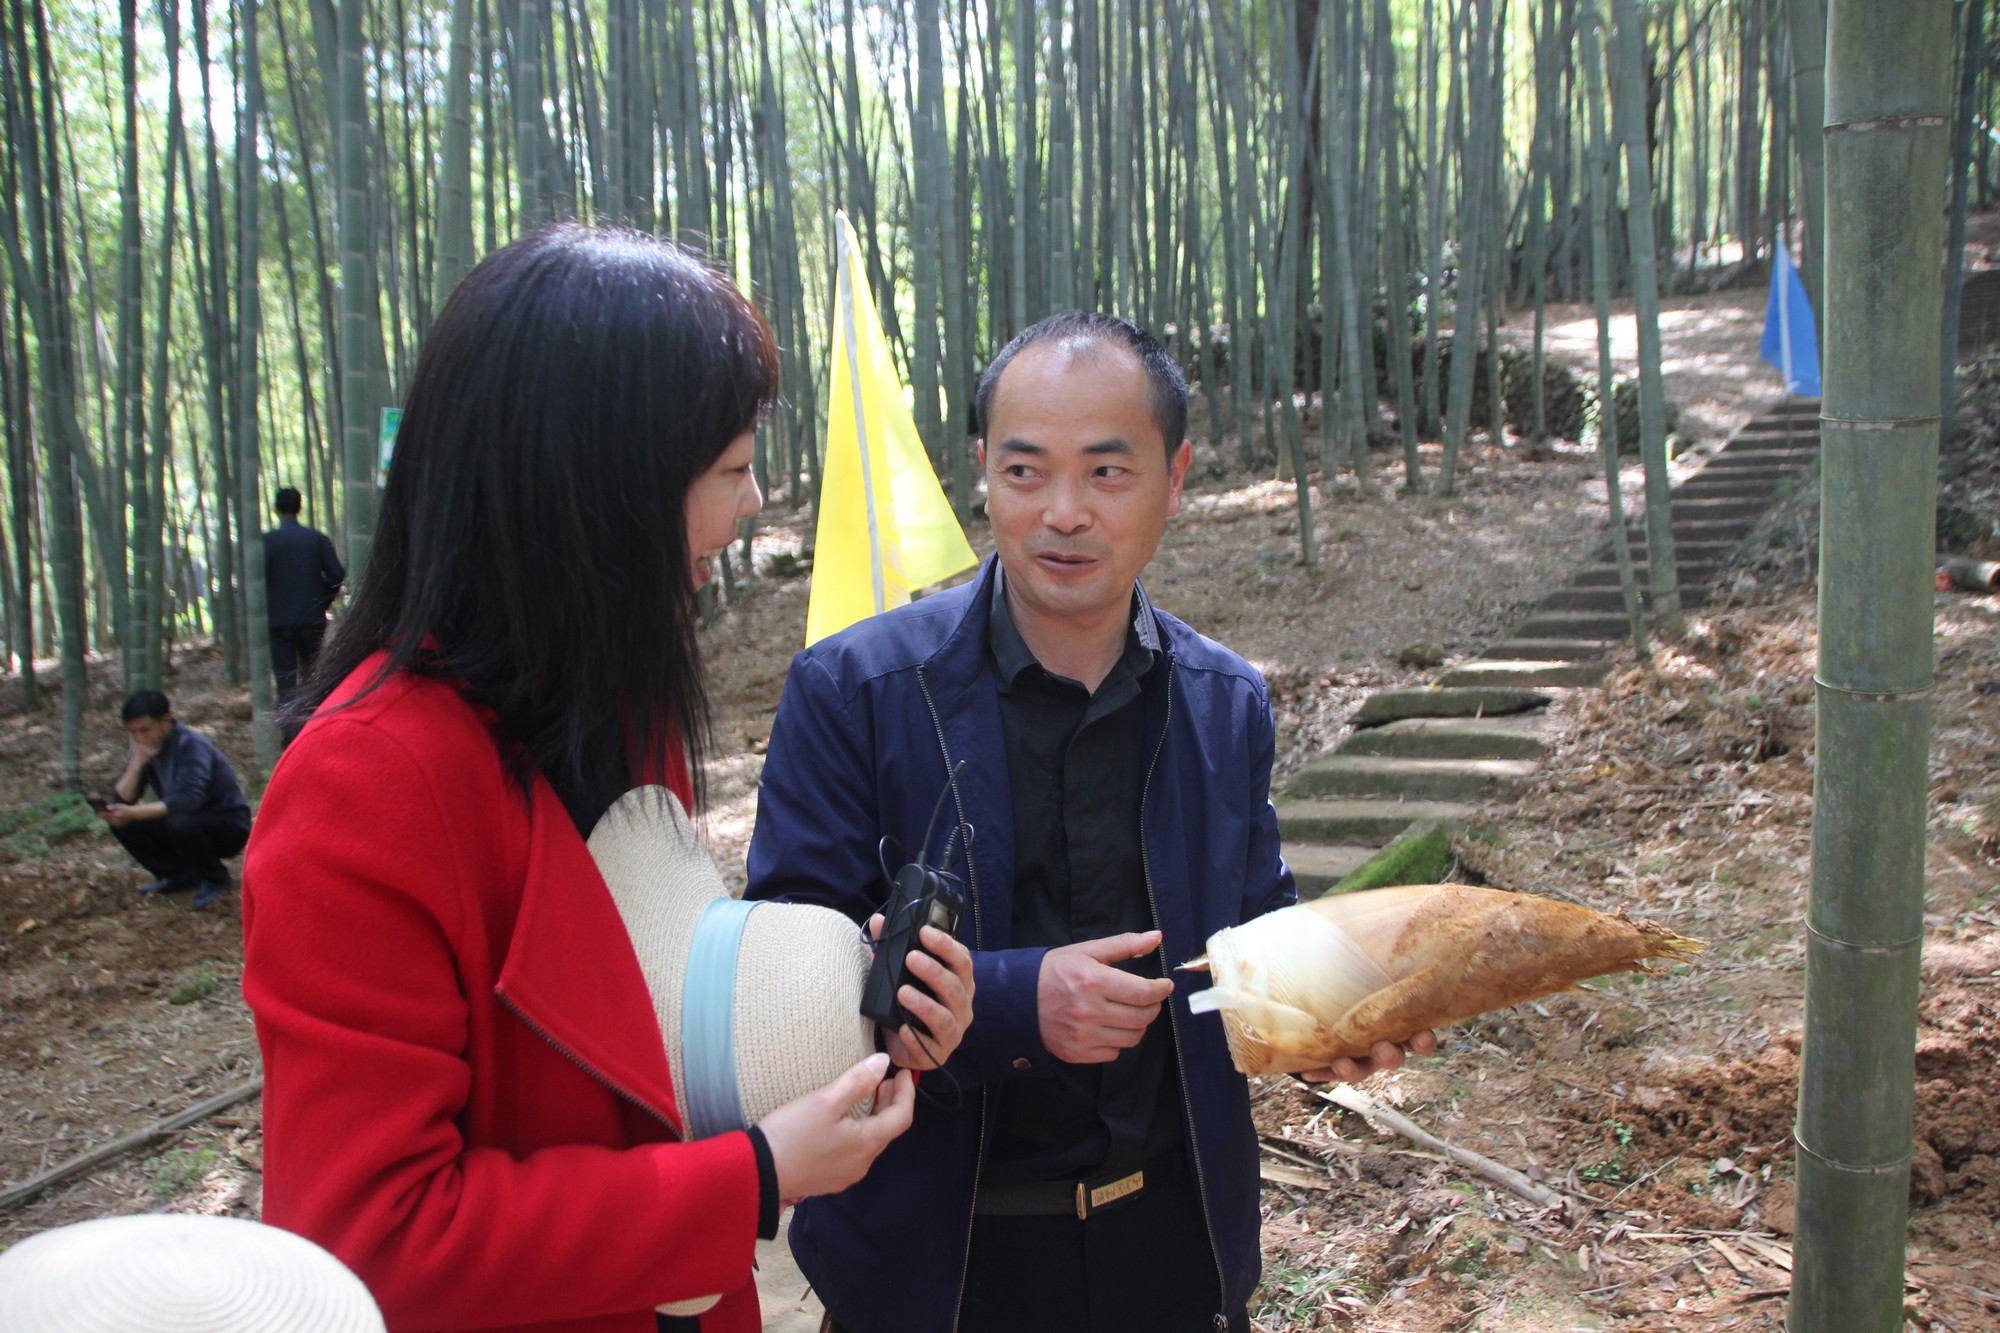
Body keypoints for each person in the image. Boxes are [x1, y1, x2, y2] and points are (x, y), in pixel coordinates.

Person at [240, 225, 975, 1333]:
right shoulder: (365, 784)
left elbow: (640, 1031)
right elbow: (375, 1237)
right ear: (600, 493)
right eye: (729, 471)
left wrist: (842, 1011)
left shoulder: (614, 713)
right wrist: (755, 1178)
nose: (749, 509)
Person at [746, 312, 1437, 1333]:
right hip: (933, 1271)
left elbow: (1245, 946)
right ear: (980, 469)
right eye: (1024, 473)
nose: (1060, 513)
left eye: (1106, 474)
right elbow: (784, 998)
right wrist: (1017, 1002)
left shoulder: (1221, 702)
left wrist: (1324, 1016)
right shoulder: (856, 692)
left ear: (1175, 474)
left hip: (1172, 1251)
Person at [99, 690, 253, 910]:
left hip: (227, 825)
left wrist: (133, 812)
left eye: (145, 730)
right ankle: (179, 874)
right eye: (134, 733)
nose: (140, 737)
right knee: (124, 823)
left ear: (166, 720)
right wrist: (137, 762)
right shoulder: (148, 750)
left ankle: (216, 878)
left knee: (180, 822)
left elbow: (189, 799)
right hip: (186, 820)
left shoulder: (190, 745)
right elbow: (124, 798)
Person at [261, 486, 345, 714]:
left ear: (277, 509)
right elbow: (337, 573)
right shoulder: (316, 539)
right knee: (312, 679)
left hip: (279, 622)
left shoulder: (267, 541)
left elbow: (259, 581)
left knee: (286, 684)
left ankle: (289, 739)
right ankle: (313, 728)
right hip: (311, 618)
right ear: (300, 507)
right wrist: (322, 600)